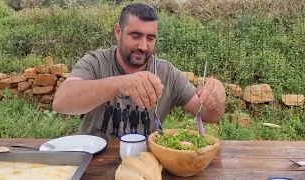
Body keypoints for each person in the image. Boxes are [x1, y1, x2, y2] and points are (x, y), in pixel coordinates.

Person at [52, 3, 226, 140]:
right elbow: (61, 102)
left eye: (150, 38)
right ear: (118, 32)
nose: (143, 46)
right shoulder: (95, 62)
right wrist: (121, 83)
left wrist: (216, 99)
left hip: (146, 160)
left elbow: (208, 115)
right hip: (94, 160)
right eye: (135, 36)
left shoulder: (167, 73)